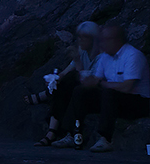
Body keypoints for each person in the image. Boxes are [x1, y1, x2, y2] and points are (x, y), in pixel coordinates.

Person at [55, 22, 150, 151]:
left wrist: (100, 83)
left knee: (109, 93)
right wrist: (87, 81)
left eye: (104, 40)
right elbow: (96, 79)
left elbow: (127, 87)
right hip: (115, 99)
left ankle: (105, 138)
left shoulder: (132, 56)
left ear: (115, 40)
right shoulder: (105, 57)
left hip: (138, 101)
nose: (101, 43)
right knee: (80, 91)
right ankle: (72, 134)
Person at [33, 21, 101, 145]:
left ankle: (60, 132)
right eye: (79, 37)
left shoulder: (102, 56)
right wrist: (54, 80)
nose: (80, 40)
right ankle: (52, 131)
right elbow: (65, 72)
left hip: (94, 90)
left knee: (72, 83)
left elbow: (87, 81)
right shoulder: (83, 50)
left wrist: (77, 61)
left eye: (84, 38)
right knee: (64, 82)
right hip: (81, 86)